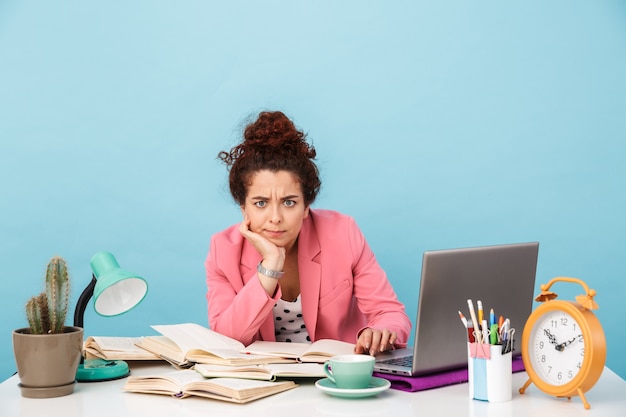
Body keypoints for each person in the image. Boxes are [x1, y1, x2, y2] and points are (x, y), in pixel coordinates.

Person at [205, 110, 411, 356]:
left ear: (306, 206)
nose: (275, 217)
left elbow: (389, 312)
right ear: (243, 209)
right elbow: (227, 341)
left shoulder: (342, 232)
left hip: (335, 376)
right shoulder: (223, 250)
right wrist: (270, 266)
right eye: (260, 203)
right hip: (265, 379)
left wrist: (382, 330)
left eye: (289, 202)